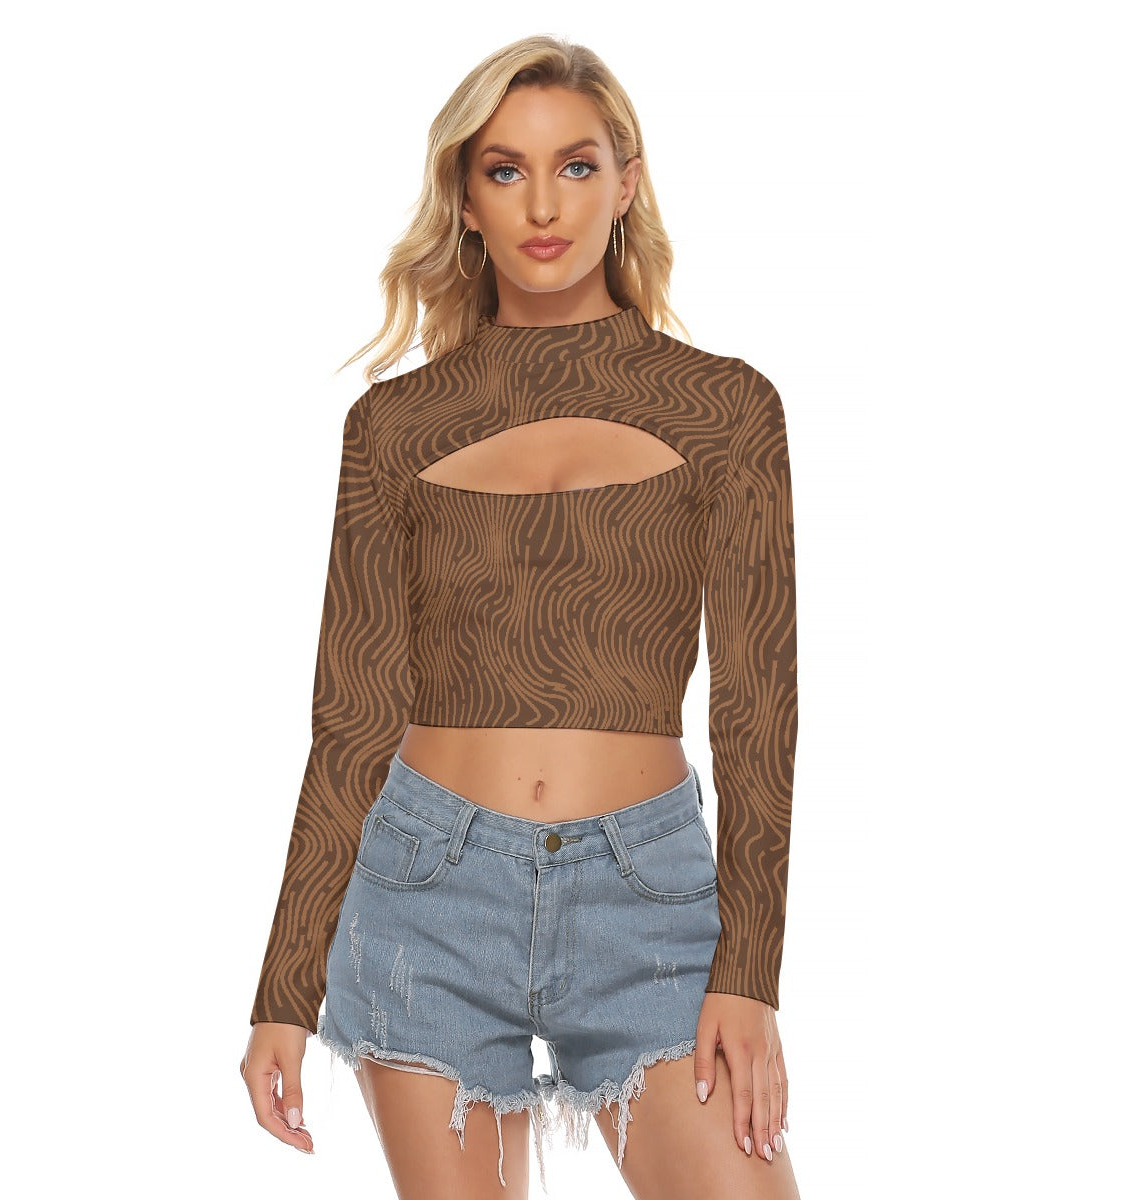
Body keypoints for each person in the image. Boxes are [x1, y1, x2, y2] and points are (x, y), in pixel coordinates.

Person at [240, 34, 802, 1200]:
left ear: (627, 183)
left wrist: (751, 972)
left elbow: (759, 708)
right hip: (426, 894)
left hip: (647, 904)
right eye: (506, 170)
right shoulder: (394, 426)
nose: (544, 205)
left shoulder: (726, 408)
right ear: (466, 198)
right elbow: (351, 719)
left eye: (577, 166)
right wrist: (284, 989)